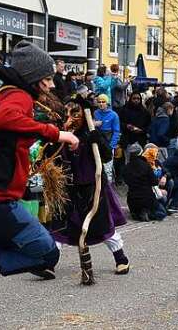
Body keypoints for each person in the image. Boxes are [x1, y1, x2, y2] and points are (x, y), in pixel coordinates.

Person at [0, 40, 80, 308]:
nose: (52, 85)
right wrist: (57, 133)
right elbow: (8, 120)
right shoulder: (18, 96)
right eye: (48, 79)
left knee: (38, 249)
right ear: (34, 78)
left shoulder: (8, 93)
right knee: (48, 252)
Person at [45, 99, 130, 274]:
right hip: (67, 188)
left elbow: (106, 157)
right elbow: (49, 156)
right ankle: (49, 264)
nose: (70, 118)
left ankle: (121, 259)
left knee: (102, 225)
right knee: (61, 227)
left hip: (93, 187)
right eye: (67, 113)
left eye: (75, 114)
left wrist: (97, 139)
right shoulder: (60, 135)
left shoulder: (91, 133)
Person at [122, 144, 166, 222]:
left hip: (132, 199)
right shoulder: (145, 165)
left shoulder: (126, 167)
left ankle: (138, 213)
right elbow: (154, 182)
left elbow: (126, 181)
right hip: (147, 198)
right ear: (141, 153)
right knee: (162, 213)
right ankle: (148, 213)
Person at [93, 94, 120, 183]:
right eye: (99, 102)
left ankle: (109, 188)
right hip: (97, 144)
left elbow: (116, 131)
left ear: (107, 103)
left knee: (108, 168)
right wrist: (94, 124)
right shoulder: (95, 113)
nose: (101, 104)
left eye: (103, 102)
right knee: (97, 167)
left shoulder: (114, 115)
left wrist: (112, 146)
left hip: (108, 144)